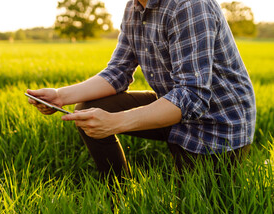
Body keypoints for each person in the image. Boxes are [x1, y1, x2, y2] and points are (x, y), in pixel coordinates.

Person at [27, 0, 256, 180]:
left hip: (216, 124)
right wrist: (60, 96)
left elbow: (192, 95)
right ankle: (118, 195)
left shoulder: (189, 5)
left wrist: (114, 122)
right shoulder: (133, 8)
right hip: (174, 107)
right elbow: (118, 72)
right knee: (89, 108)